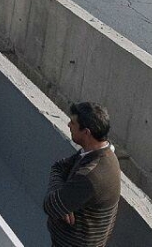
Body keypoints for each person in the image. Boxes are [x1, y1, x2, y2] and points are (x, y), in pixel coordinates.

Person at [44, 102, 120, 247]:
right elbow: (58, 167)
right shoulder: (96, 153)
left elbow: (49, 205)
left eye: (73, 123)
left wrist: (60, 202)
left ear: (86, 132)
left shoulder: (91, 175)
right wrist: (63, 201)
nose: (68, 125)